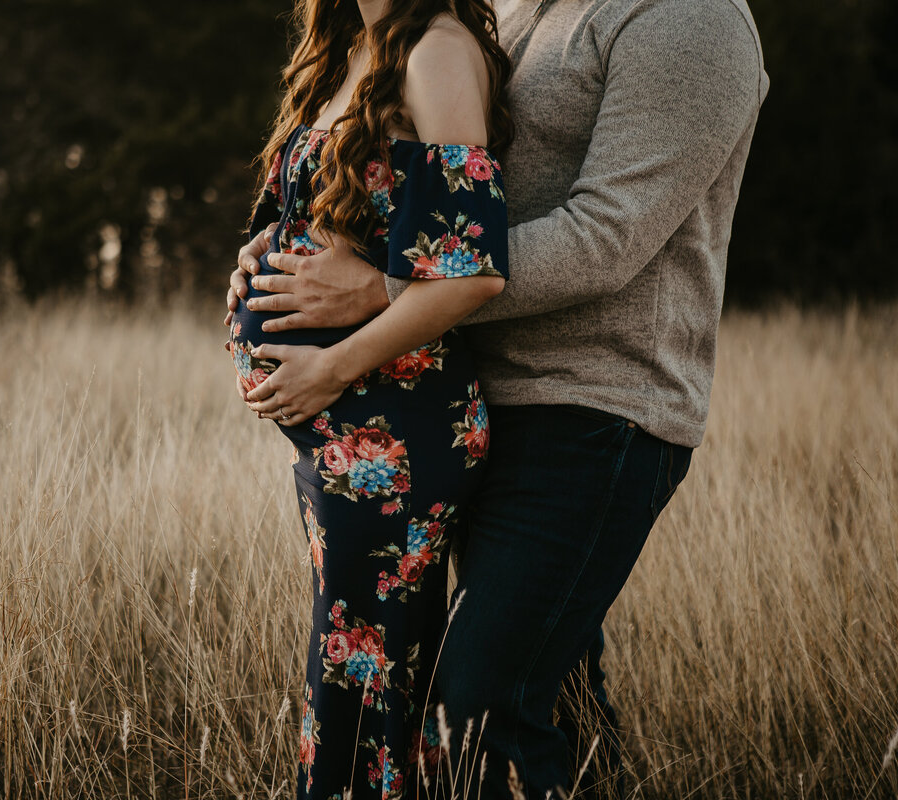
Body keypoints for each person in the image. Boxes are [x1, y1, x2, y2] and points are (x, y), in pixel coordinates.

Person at [227, 1, 769, 798]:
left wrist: (382, 292)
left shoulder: (688, 20)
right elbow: (409, 177)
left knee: (479, 702)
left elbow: (607, 236)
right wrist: (289, 245)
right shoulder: (512, 9)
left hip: (596, 406)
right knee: (552, 699)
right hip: (471, 395)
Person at [226, 0, 518, 796]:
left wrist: (330, 368)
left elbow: (472, 269)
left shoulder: (439, 51)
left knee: (359, 685)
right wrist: (264, 249)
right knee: (369, 682)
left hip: (396, 435)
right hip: (343, 439)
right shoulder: (352, 45)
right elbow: (350, 218)